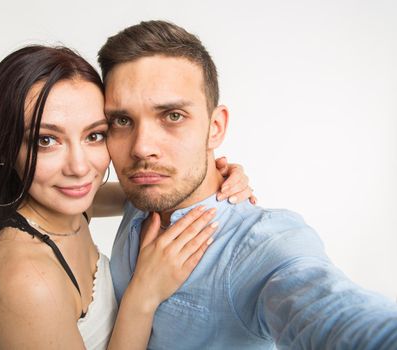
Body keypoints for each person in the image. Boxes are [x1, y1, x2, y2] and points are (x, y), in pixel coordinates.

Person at [98, 20, 397, 349]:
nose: (141, 147)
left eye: (172, 116)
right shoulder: (142, 195)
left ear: (215, 127)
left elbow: (332, 311)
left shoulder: (263, 246)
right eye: (122, 121)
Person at [0, 45, 252, 349]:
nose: (80, 168)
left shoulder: (64, 211)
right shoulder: (26, 280)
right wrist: (145, 294)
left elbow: (136, 194)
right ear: (4, 147)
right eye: (46, 141)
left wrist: (216, 177)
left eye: (94, 135)